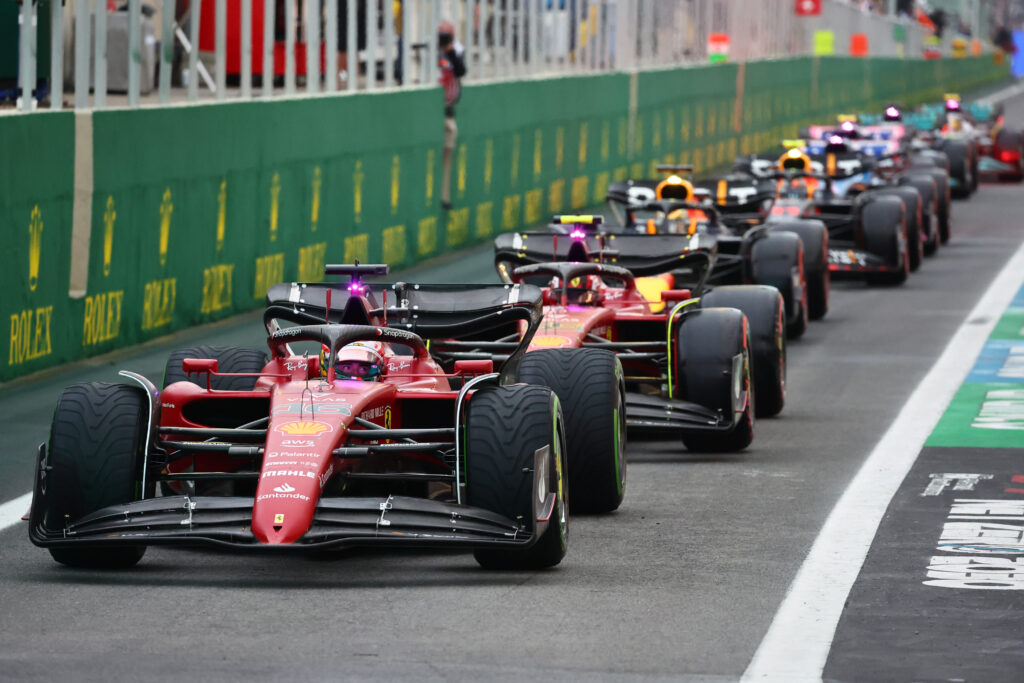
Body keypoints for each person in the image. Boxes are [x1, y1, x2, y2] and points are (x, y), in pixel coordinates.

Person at [439, 20, 467, 211]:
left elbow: (461, 70)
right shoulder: (430, 51)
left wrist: (449, 51)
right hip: (432, 108)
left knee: (449, 149)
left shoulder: (456, 50)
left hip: (448, 108)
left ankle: (445, 196)